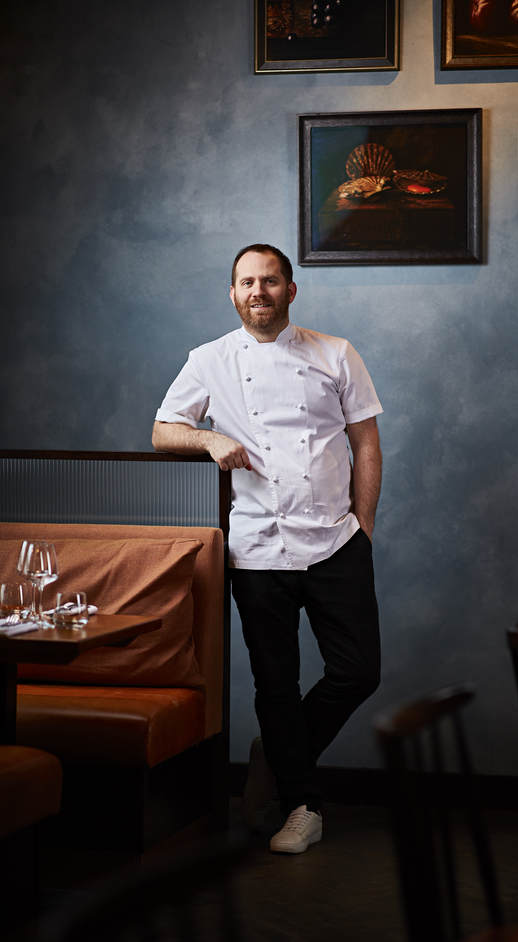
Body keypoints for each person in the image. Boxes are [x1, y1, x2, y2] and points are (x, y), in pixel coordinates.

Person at [153, 243, 383, 854]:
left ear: (291, 290)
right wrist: (208, 441)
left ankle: (280, 753)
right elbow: (161, 429)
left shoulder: (337, 353)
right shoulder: (209, 360)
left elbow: (366, 444)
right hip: (256, 547)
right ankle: (303, 805)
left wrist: (363, 527)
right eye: (247, 283)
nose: (259, 292)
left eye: (271, 281)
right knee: (275, 684)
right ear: (233, 293)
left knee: (358, 670)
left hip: (336, 540)